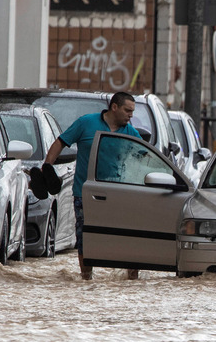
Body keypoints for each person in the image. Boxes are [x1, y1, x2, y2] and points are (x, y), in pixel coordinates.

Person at [41, 92, 143, 280]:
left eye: (132, 111)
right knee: (85, 237)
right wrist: (47, 167)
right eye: (127, 110)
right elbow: (60, 143)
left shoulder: (131, 133)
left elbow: (145, 159)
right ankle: (86, 279)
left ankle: (132, 281)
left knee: (128, 237)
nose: (131, 115)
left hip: (120, 194)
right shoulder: (86, 123)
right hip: (86, 193)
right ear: (114, 107)